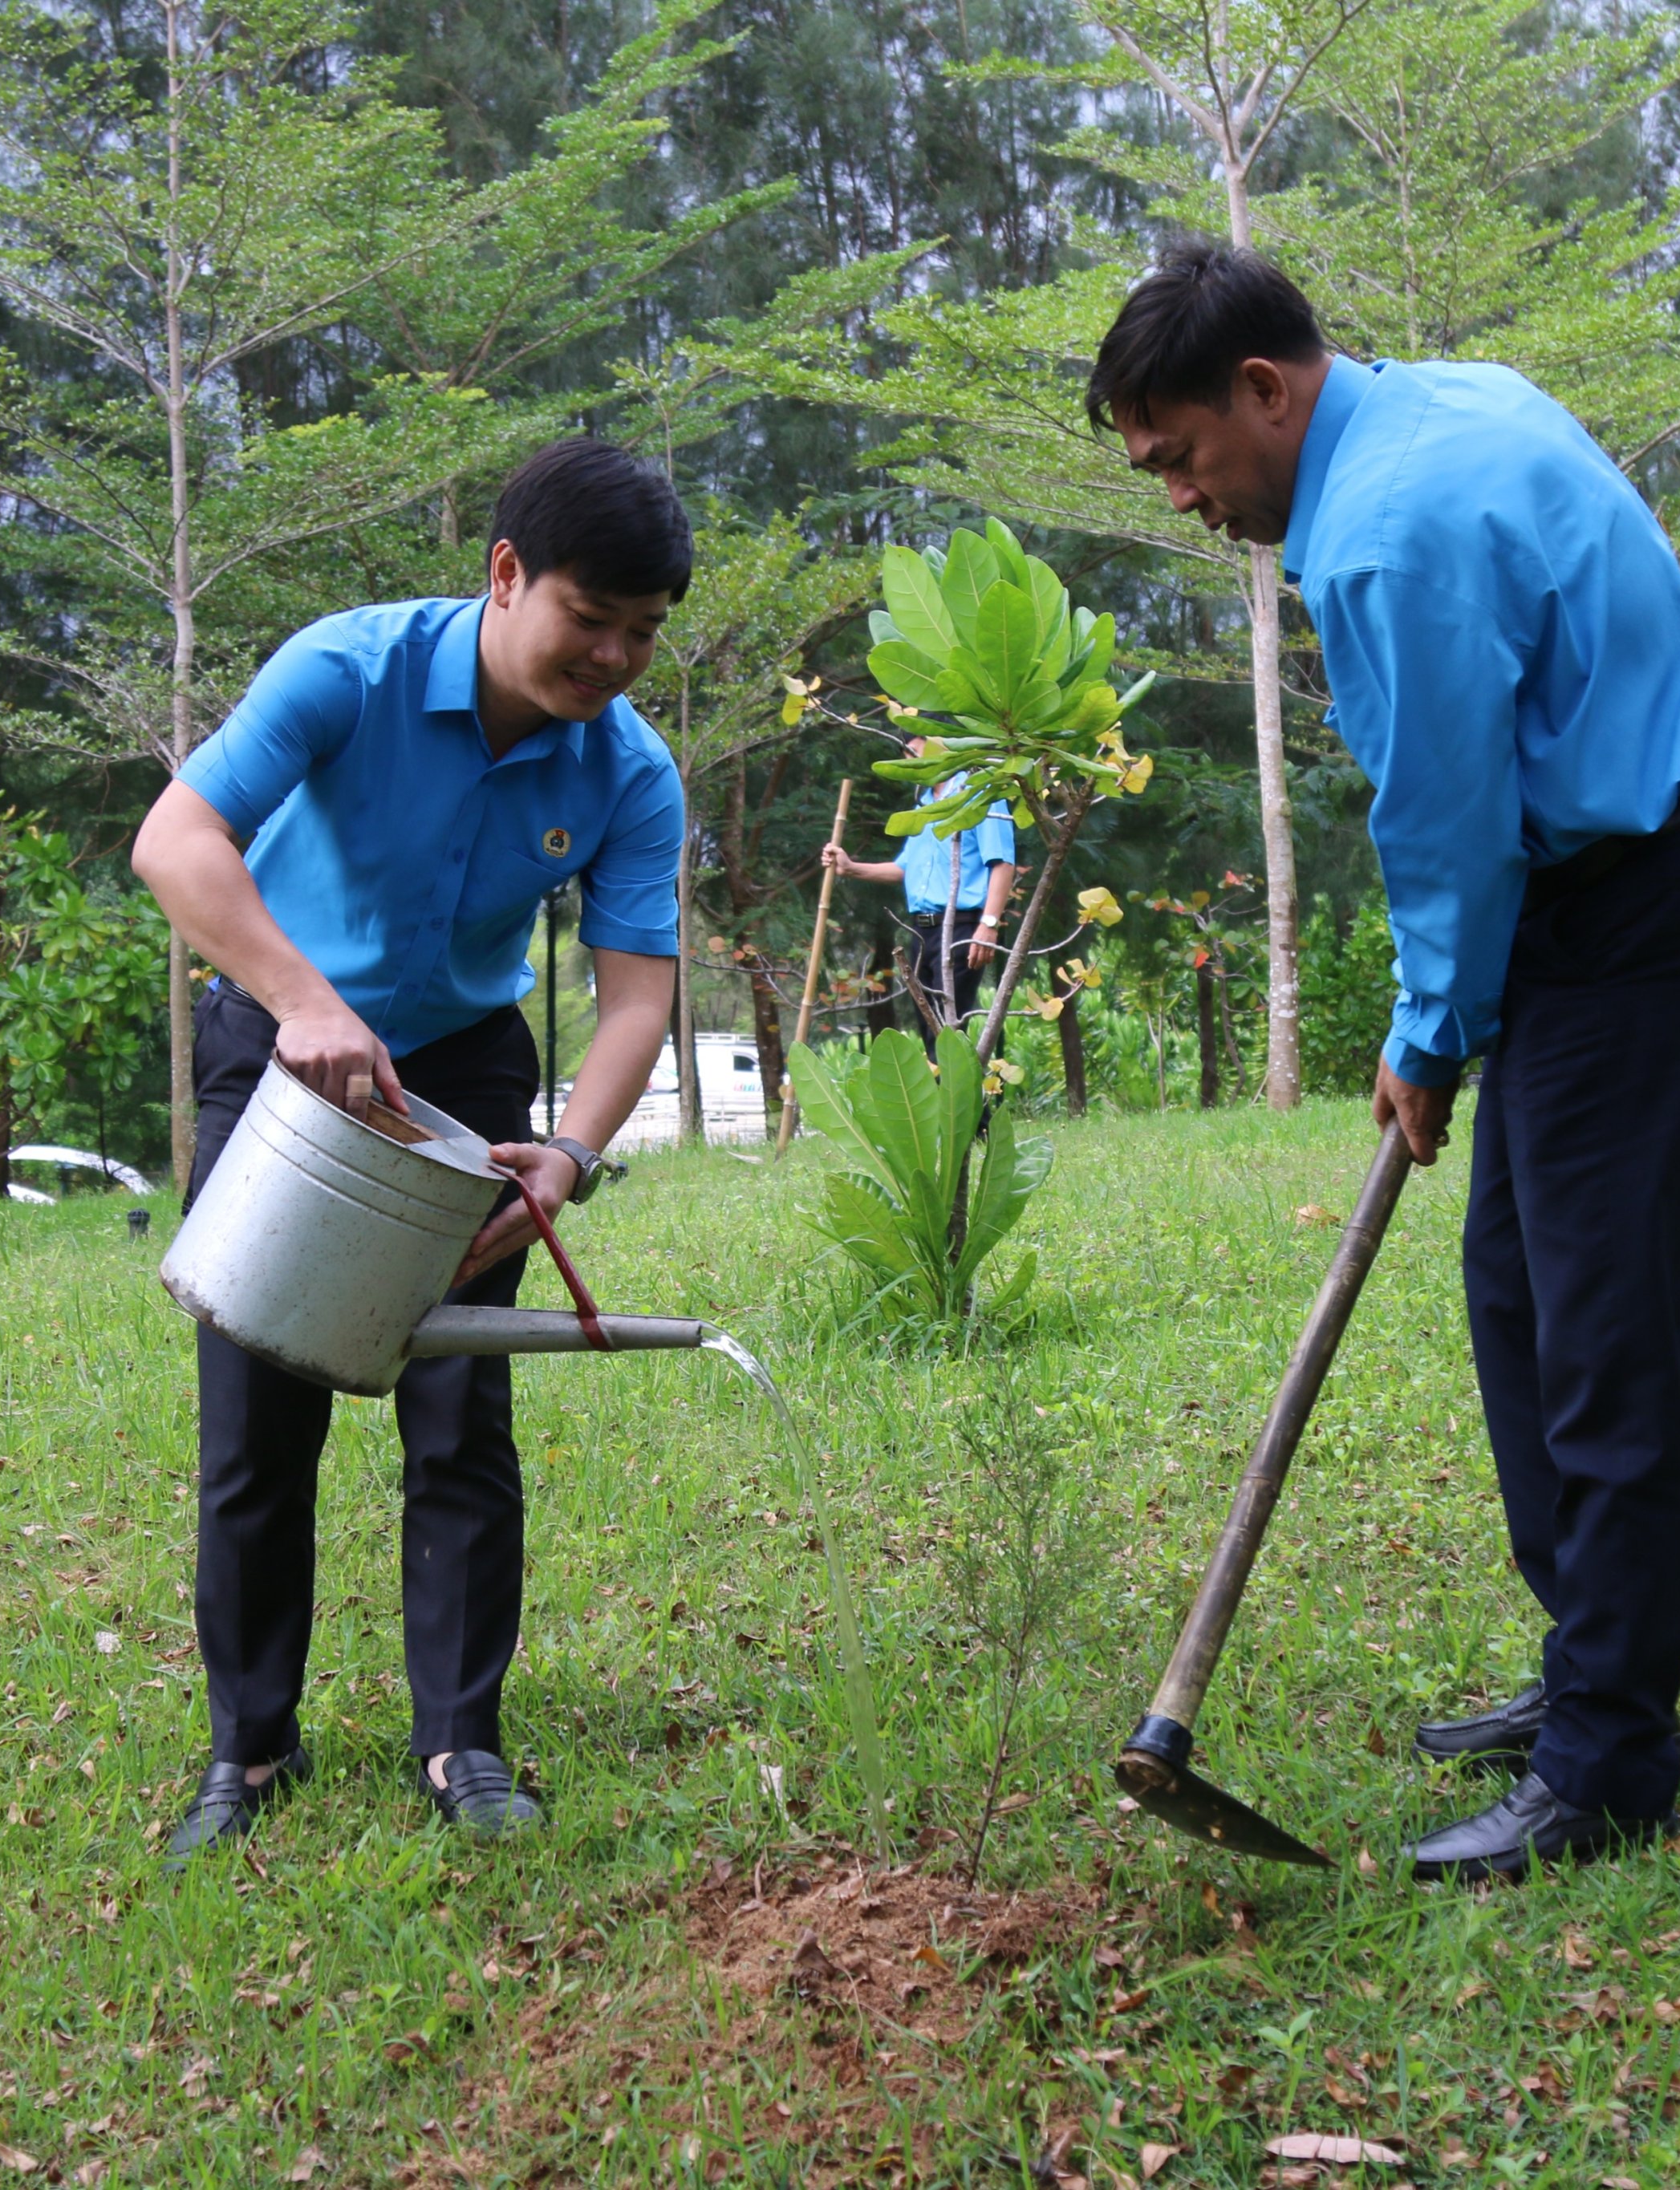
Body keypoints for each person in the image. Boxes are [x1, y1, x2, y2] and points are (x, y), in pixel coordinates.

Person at [1090, 241, 1680, 1882]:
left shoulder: (1382, 536)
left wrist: (1426, 1033)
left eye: (1181, 456)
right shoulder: (1442, 402)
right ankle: (1583, 1673)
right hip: (1603, 909)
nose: (1180, 498)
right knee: (1521, 1301)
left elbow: (1446, 822)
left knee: (1597, 1339)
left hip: (1635, 916)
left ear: (1264, 391)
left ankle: (1611, 1762)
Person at [130, 439, 691, 1862]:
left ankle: (463, 1741)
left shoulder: (630, 774)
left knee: (459, 1417)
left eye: (644, 631)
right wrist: (305, 1003)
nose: (617, 655)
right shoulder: (348, 671)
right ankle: (249, 1751)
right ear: (507, 576)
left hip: (465, 1070)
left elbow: (637, 995)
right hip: (280, 1037)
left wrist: (565, 1151)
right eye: (592, 618)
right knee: (258, 1420)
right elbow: (178, 841)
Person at [821, 735, 1020, 1044]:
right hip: (920, 933)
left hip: (962, 928)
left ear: (944, 746)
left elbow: (1003, 863)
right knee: (929, 1032)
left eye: (916, 749)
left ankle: (956, 1092)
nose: (909, 757)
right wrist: (851, 868)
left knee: (947, 1034)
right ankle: (936, 1091)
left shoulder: (981, 793)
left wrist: (989, 924)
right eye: (906, 751)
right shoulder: (924, 804)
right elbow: (905, 868)